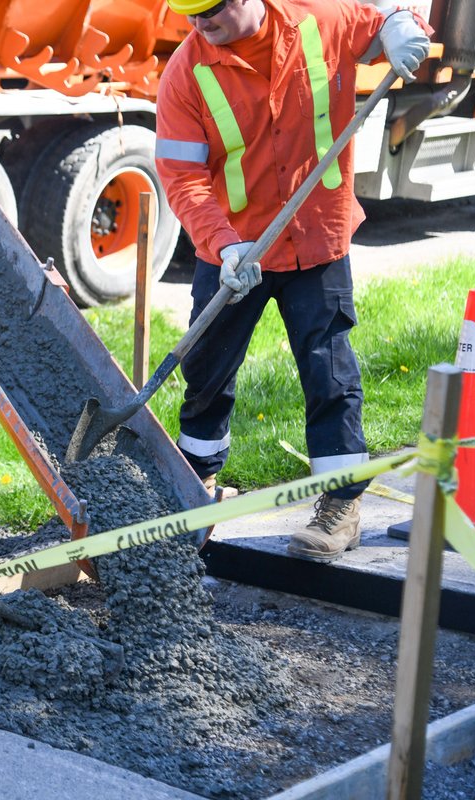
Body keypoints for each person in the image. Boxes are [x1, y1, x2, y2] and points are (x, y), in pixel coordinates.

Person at [155, 0, 429, 562]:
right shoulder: (185, 75)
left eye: (211, 10)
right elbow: (182, 178)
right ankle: (196, 489)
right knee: (206, 371)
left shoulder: (317, 20)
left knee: (329, 370)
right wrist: (224, 244)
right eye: (190, 15)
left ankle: (340, 506)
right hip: (236, 250)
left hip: (314, 237)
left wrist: (402, 28)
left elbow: (386, 18)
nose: (201, 24)